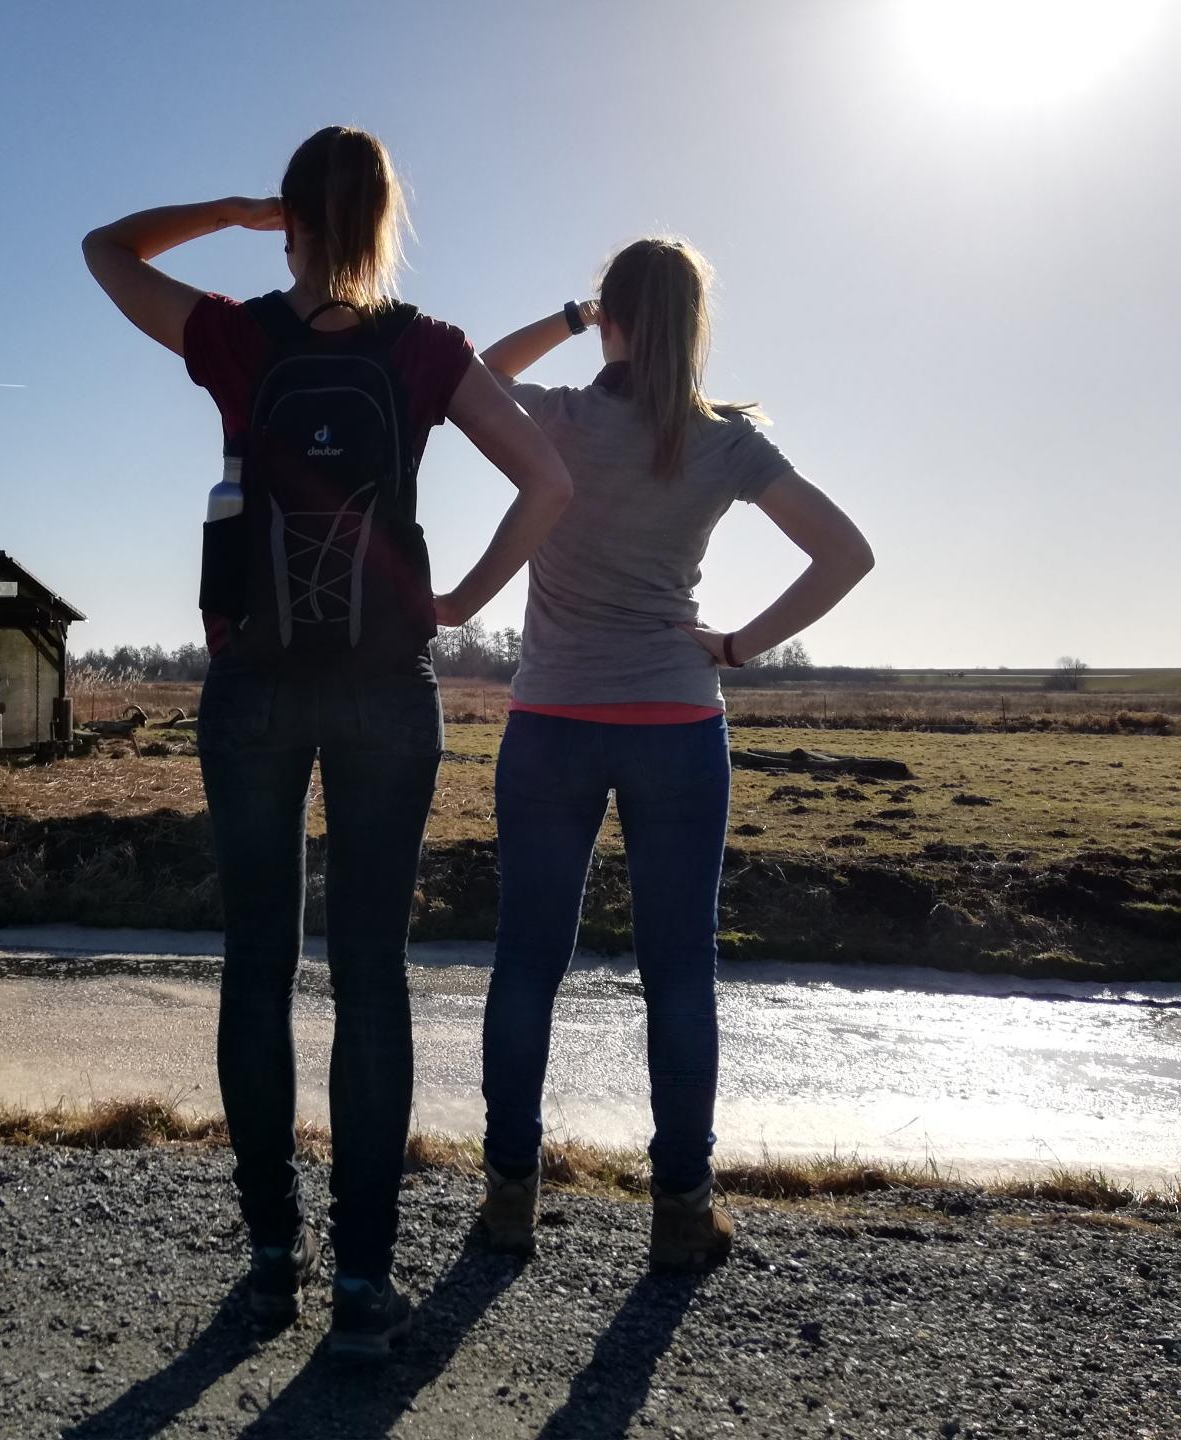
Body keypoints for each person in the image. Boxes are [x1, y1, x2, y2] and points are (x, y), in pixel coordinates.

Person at [82, 126, 572, 1356]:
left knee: (257, 967)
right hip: (386, 689)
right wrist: (457, 602)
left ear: (292, 219)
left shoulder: (236, 337)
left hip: (253, 682)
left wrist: (232, 210)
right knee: (371, 977)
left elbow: (104, 249)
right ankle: (362, 1283)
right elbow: (549, 483)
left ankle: (268, 1265)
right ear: (385, 220)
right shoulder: (428, 350)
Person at [474, 238, 874, 1270]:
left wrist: (572, 315)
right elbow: (848, 554)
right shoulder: (724, 443)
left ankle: (510, 1199)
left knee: (526, 964)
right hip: (677, 726)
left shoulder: (558, 416)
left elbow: (474, 372)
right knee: (680, 974)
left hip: (552, 720)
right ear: (696, 326)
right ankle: (683, 1212)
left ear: (610, 315)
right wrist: (737, 647)